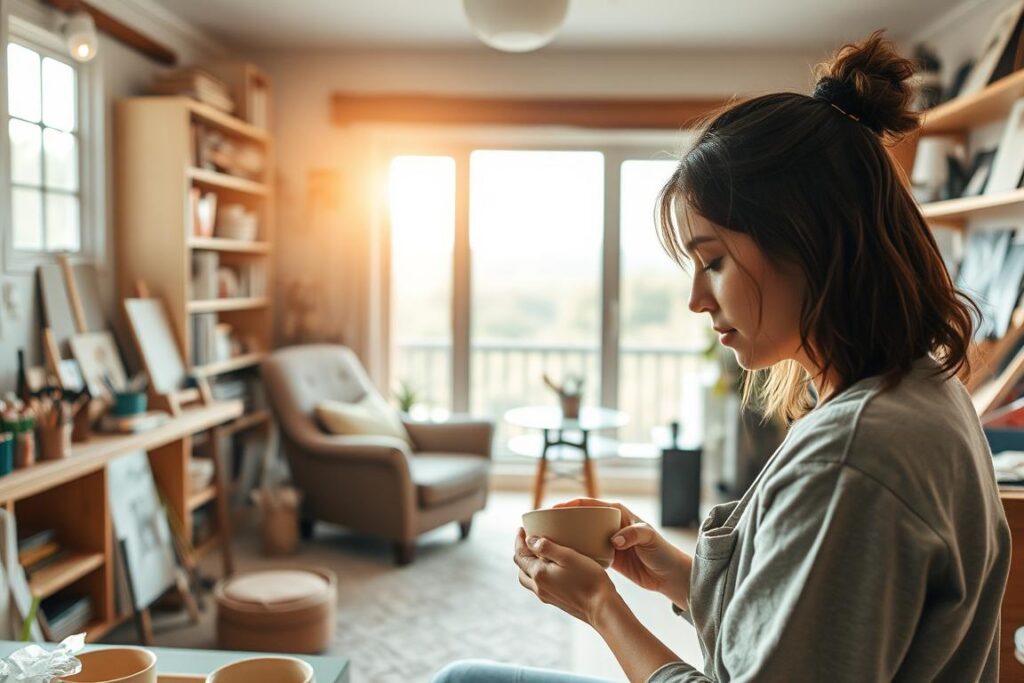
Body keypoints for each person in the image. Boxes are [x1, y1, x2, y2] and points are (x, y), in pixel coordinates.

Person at [431, 30, 1011, 683]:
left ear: (807, 242)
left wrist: (602, 608)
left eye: (714, 260)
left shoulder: (852, 456)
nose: (696, 300)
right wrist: (674, 571)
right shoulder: (924, 392)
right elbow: (802, 628)